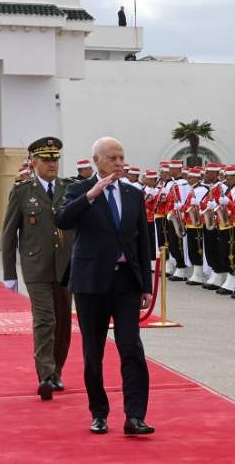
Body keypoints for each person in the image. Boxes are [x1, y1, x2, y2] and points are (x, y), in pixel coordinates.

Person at [55, 136, 154, 436]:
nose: (120, 164)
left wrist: (146, 285)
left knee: (131, 348)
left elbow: (143, 240)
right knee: (93, 352)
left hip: (126, 282)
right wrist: (92, 195)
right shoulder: (78, 189)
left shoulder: (133, 194)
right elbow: (62, 219)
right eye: (113, 158)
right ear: (97, 160)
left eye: (122, 158)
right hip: (91, 282)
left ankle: (134, 416)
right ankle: (99, 412)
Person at [2, 136, 74, 401]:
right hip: (36, 266)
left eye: (55, 159)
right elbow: (9, 234)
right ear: (34, 162)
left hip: (66, 266)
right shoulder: (22, 191)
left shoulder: (69, 189)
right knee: (46, 321)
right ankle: (45, 374)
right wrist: (9, 273)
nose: (52, 164)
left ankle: (57, 371)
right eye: (46, 159)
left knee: (64, 323)